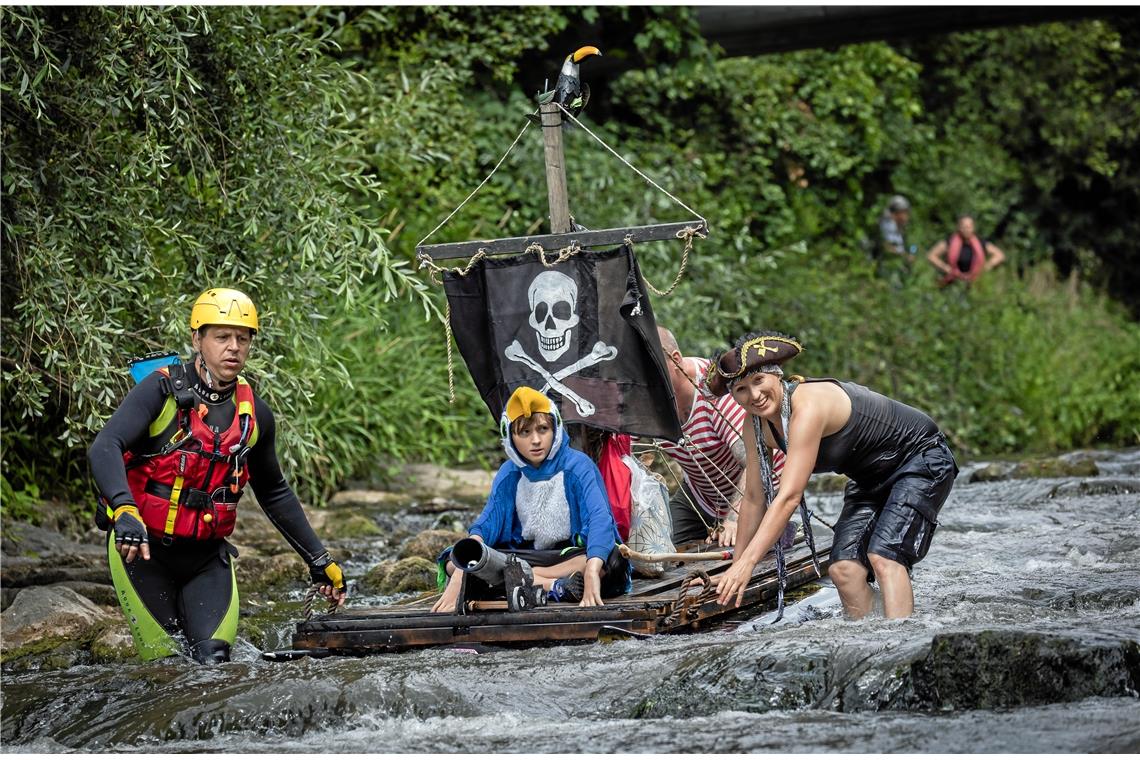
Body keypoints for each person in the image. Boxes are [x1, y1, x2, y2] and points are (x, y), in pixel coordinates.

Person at [88, 287, 346, 663]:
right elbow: (105, 445)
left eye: (243, 338)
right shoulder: (159, 390)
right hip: (142, 552)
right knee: (166, 666)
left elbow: (274, 491)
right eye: (222, 337)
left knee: (213, 664)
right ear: (197, 339)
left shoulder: (255, 414)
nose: (234, 347)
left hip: (207, 559)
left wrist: (319, 560)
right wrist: (124, 508)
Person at [706, 332, 957, 619]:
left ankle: (901, 648)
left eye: (758, 381)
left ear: (777, 375)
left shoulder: (808, 406)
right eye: (740, 389)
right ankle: (868, 646)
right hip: (868, 479)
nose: (754, 395)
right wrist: (737, 568)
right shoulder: (754, 424)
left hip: (920, 458)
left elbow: (788, 497)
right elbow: (753, 497)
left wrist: (748, 565)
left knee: (884, 556)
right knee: (843, 569)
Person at [432, 386, 628, 612]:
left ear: (555, 427)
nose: (536, 440)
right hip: (523, 557)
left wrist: (592, 571)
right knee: (451, 560)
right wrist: (462, 572)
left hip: (565, 556)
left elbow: (599, 519)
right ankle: (551, 585)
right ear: (510, 436)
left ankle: (517, 580)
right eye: (525, 433)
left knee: (611, 561)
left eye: (543, 429)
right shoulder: (509, 473)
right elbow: (487, 523)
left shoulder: (578, 465)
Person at [654, 326, 785, 548]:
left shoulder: (715, 391)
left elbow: (757, 463)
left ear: (675, 359)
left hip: (759, 489)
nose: (644, 378)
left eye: (651, 368)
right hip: (702, 494)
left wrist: (735, 519)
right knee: (657, 549)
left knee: (741, 550)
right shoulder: (643, 399)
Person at [926, 214, 1006, 286]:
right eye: (964, 226)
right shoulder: (950, 241)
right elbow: (931, 255)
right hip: (952, 281)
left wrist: (986, 267)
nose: (966, 229)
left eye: (969, 227)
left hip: (974, 282)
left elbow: (1000, 255)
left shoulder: (980, 242)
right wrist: (945, 268)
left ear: (973, 228)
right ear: (959, 227)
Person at [878, 194, 915, 267]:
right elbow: (886, 247)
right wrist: (905, 255)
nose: (907, 216)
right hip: (887, 266)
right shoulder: (887, 226)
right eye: (904, 212)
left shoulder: (903, 228)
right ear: (896, 213)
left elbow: (914, 245)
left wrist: (912, 253)